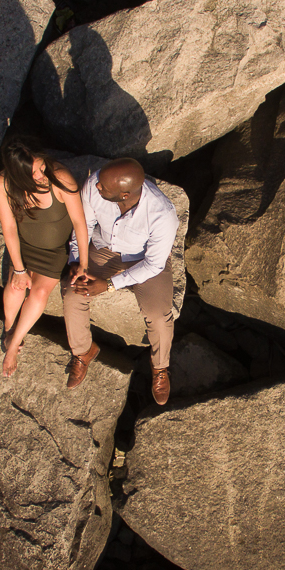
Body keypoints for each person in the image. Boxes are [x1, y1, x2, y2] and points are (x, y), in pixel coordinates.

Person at [63, 158, 177, 404]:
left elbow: (155, 264)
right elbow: (82, 225)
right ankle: (84, 351)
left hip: (143, 260)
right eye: (99, 182)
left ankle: (159, 367)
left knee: (158, 314)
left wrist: (111, 285)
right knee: (73, 291)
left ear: (125, 194)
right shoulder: (95, 184)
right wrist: (77, 259)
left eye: (103, 187)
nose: (96, 187)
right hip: (104, 250)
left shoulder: (162, 213)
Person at [0, 135, 89, 378]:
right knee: (16, 287)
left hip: (55, 251)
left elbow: (79, 222)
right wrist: (20, 268)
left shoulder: (60, 178)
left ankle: (13, 346)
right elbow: (10, 229)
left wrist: (84, 264)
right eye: (32, 173)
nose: (40, 175)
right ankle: (8, 329)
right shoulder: (2, 184)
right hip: (25, 245)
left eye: (41, 166)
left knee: (39, 292)